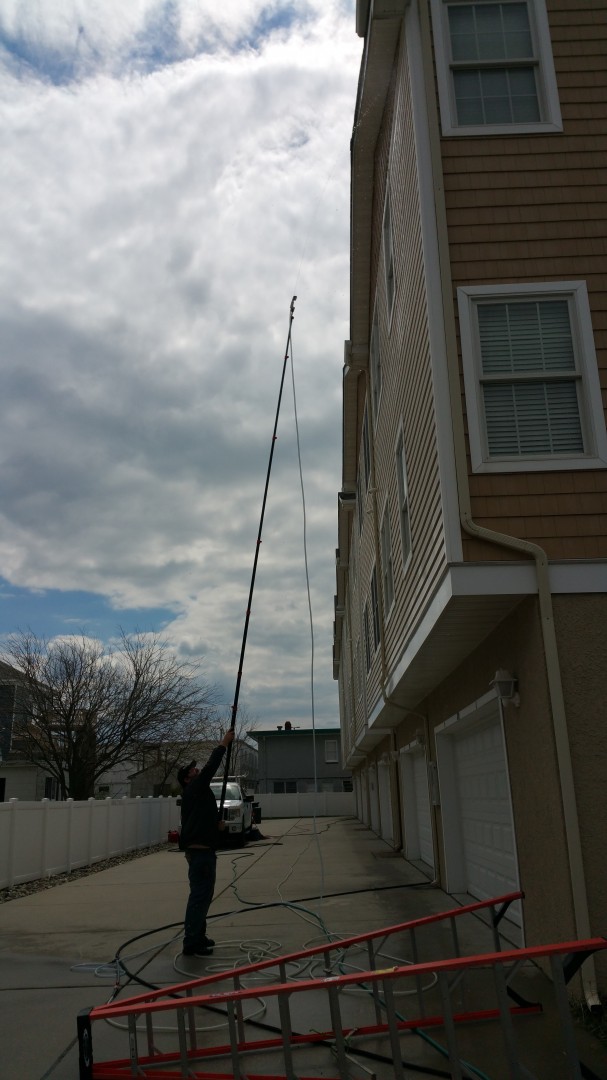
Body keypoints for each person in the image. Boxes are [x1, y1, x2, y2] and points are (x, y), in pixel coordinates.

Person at [176, 729, 235, 957]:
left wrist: (215, 826)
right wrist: (223, 744)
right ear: (187, 779)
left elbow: (199, 819)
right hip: (200, 855)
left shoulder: (196, 793)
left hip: (203, 852)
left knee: (203, 897)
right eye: (191, 770)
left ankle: (199, 936)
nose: (196, 769)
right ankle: (191, 942)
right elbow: (211, 767)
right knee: (200, 898)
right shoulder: (194, 788)